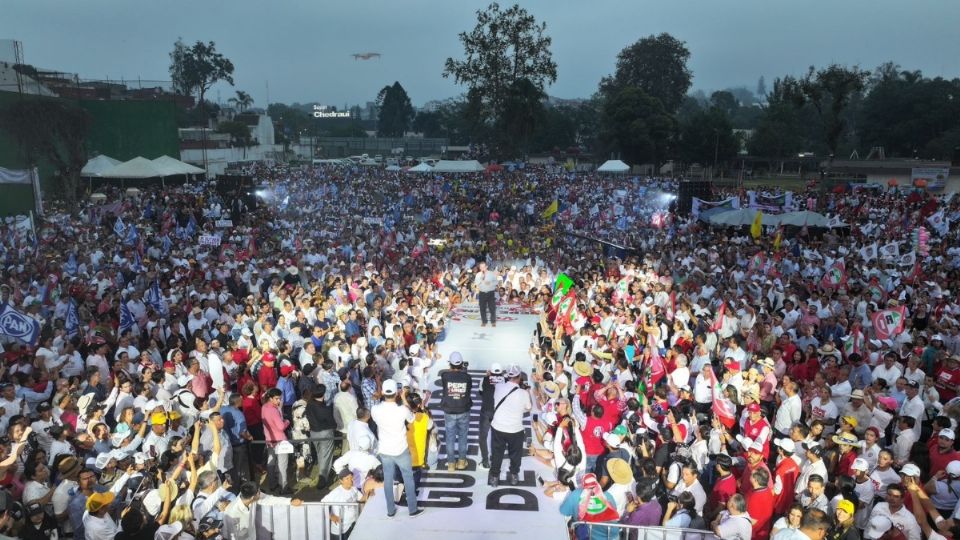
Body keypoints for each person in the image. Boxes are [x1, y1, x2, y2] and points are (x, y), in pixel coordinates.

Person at [370, 379, 423, 518]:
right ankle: (412, 509)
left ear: (382, 392)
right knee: (408, 478)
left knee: (388, 479)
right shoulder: (402, 409)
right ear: (397, 392)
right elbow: (412, 419)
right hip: (401, 449)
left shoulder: (375, 409)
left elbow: (376, 419)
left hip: (385, 450)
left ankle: (390, 510)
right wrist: (404, 398)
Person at [488, 365, 532, 487]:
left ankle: (495, 477)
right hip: (515, 429)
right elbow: (528, 408)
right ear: (519, 377)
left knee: (497, 454)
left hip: (498, 427)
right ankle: (513, 476)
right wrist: (527, 392)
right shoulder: (523, 393)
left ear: (508, 376)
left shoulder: (498, 387)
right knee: (515, 455)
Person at [223, 480, 304, 540]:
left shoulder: (251, 497)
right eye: (258, 492)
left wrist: (289, 502)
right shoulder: (231, 513)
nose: (260, 493)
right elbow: (231, 536)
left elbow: (269, 499)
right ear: (252, 497)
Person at [439, 351, 473, 472]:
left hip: (449, 411)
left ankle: (451, 464)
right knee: (463, 437)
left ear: (450, 364)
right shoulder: (467, 377)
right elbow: (468, 390)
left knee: (450, 438)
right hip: (463, 410)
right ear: (462, 364)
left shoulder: (445, 376)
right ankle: (462, 462)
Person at [262, 387, 292, 494]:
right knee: (282, 465)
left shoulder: (264, 407)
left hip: (269, 440)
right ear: (270, 398)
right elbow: (280, 426)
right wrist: (287, 421)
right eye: (276, 398)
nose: (278, 401)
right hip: (280, 440)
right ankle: (284, 486)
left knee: (271, 464)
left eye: (279, 398)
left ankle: (272, 485)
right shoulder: (273, 410)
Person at [322, 469, 367, 539]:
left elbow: (361, 499)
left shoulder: (354, 489)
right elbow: (322, 504)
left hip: (352, 525)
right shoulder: (336, 493)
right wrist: (331, 516)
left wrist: (369, 493)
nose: (350, 480)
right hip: (340, 530)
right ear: (341, 481)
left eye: (352, 478)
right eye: (347, 479)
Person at [305, 385, 337, 486]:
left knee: (320, 454)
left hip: (314, 433)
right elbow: (332, 423)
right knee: (326, 456)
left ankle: (322, 474)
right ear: (323, 394)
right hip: (325, 433)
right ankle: (323, 479)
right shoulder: (325, 408)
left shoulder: (309, 405)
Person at [475, 261, 498, 327]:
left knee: (492, 308)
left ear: (486, 267)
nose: (482, 268)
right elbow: (476, 283)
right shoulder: (478, 274)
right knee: (482, 308)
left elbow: (496, 282)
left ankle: (493, 321)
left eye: (483, 267)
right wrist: (481, 278)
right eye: (481, 267)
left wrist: (490, 283)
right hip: (482, 293)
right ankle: (484, 321)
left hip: (490, 293)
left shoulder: (491, 274)